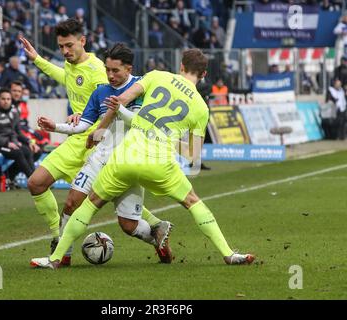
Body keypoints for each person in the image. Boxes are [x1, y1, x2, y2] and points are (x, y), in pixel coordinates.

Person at [31, 48, 255, 269]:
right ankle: (228, 254)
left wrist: (104, 128)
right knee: (192, 202)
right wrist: (166, 135)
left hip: (125, 157)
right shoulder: (201, 107)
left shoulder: (157, 76)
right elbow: (192, 154)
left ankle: (55, 259)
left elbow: (119, 101)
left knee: (90, 204)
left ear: (181, 67)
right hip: (160, 163)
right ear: (204, 75)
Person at [31, 43, 172, 267]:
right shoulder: (101, 92)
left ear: (129, 68)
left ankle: (156, 237)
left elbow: (140, 122)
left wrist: (119, 108)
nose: (110, 75)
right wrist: (55, 126)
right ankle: (61, 256)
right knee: (71, 203)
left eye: (115, 70)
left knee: (128, 225)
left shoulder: (142, 88)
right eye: (107, 69)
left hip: (128, 163)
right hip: (100, 158)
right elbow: (83, 125)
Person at [19, 18, 108, 257]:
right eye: (61, 47)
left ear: (83, 41)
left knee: (120, 202)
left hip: (97, 143)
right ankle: (57, 237)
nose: (65, 51)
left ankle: (153, 229)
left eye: (69, 45)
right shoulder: (71, 65)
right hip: (74, 141)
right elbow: (64, 77)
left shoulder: (97, 69)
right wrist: (37, 59)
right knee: (35, 183)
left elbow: (108, 103)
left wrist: (85, 113)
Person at [0, 88, 35, 183]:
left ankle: (28, 178)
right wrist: (7, 143)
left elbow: (12, 132)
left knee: (27, 150)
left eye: (8, 99)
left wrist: (15, 142)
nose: (6, 102)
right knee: (18, 152)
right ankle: (33, 181)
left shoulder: (9, 112)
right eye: (3, 99)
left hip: (3, 144)